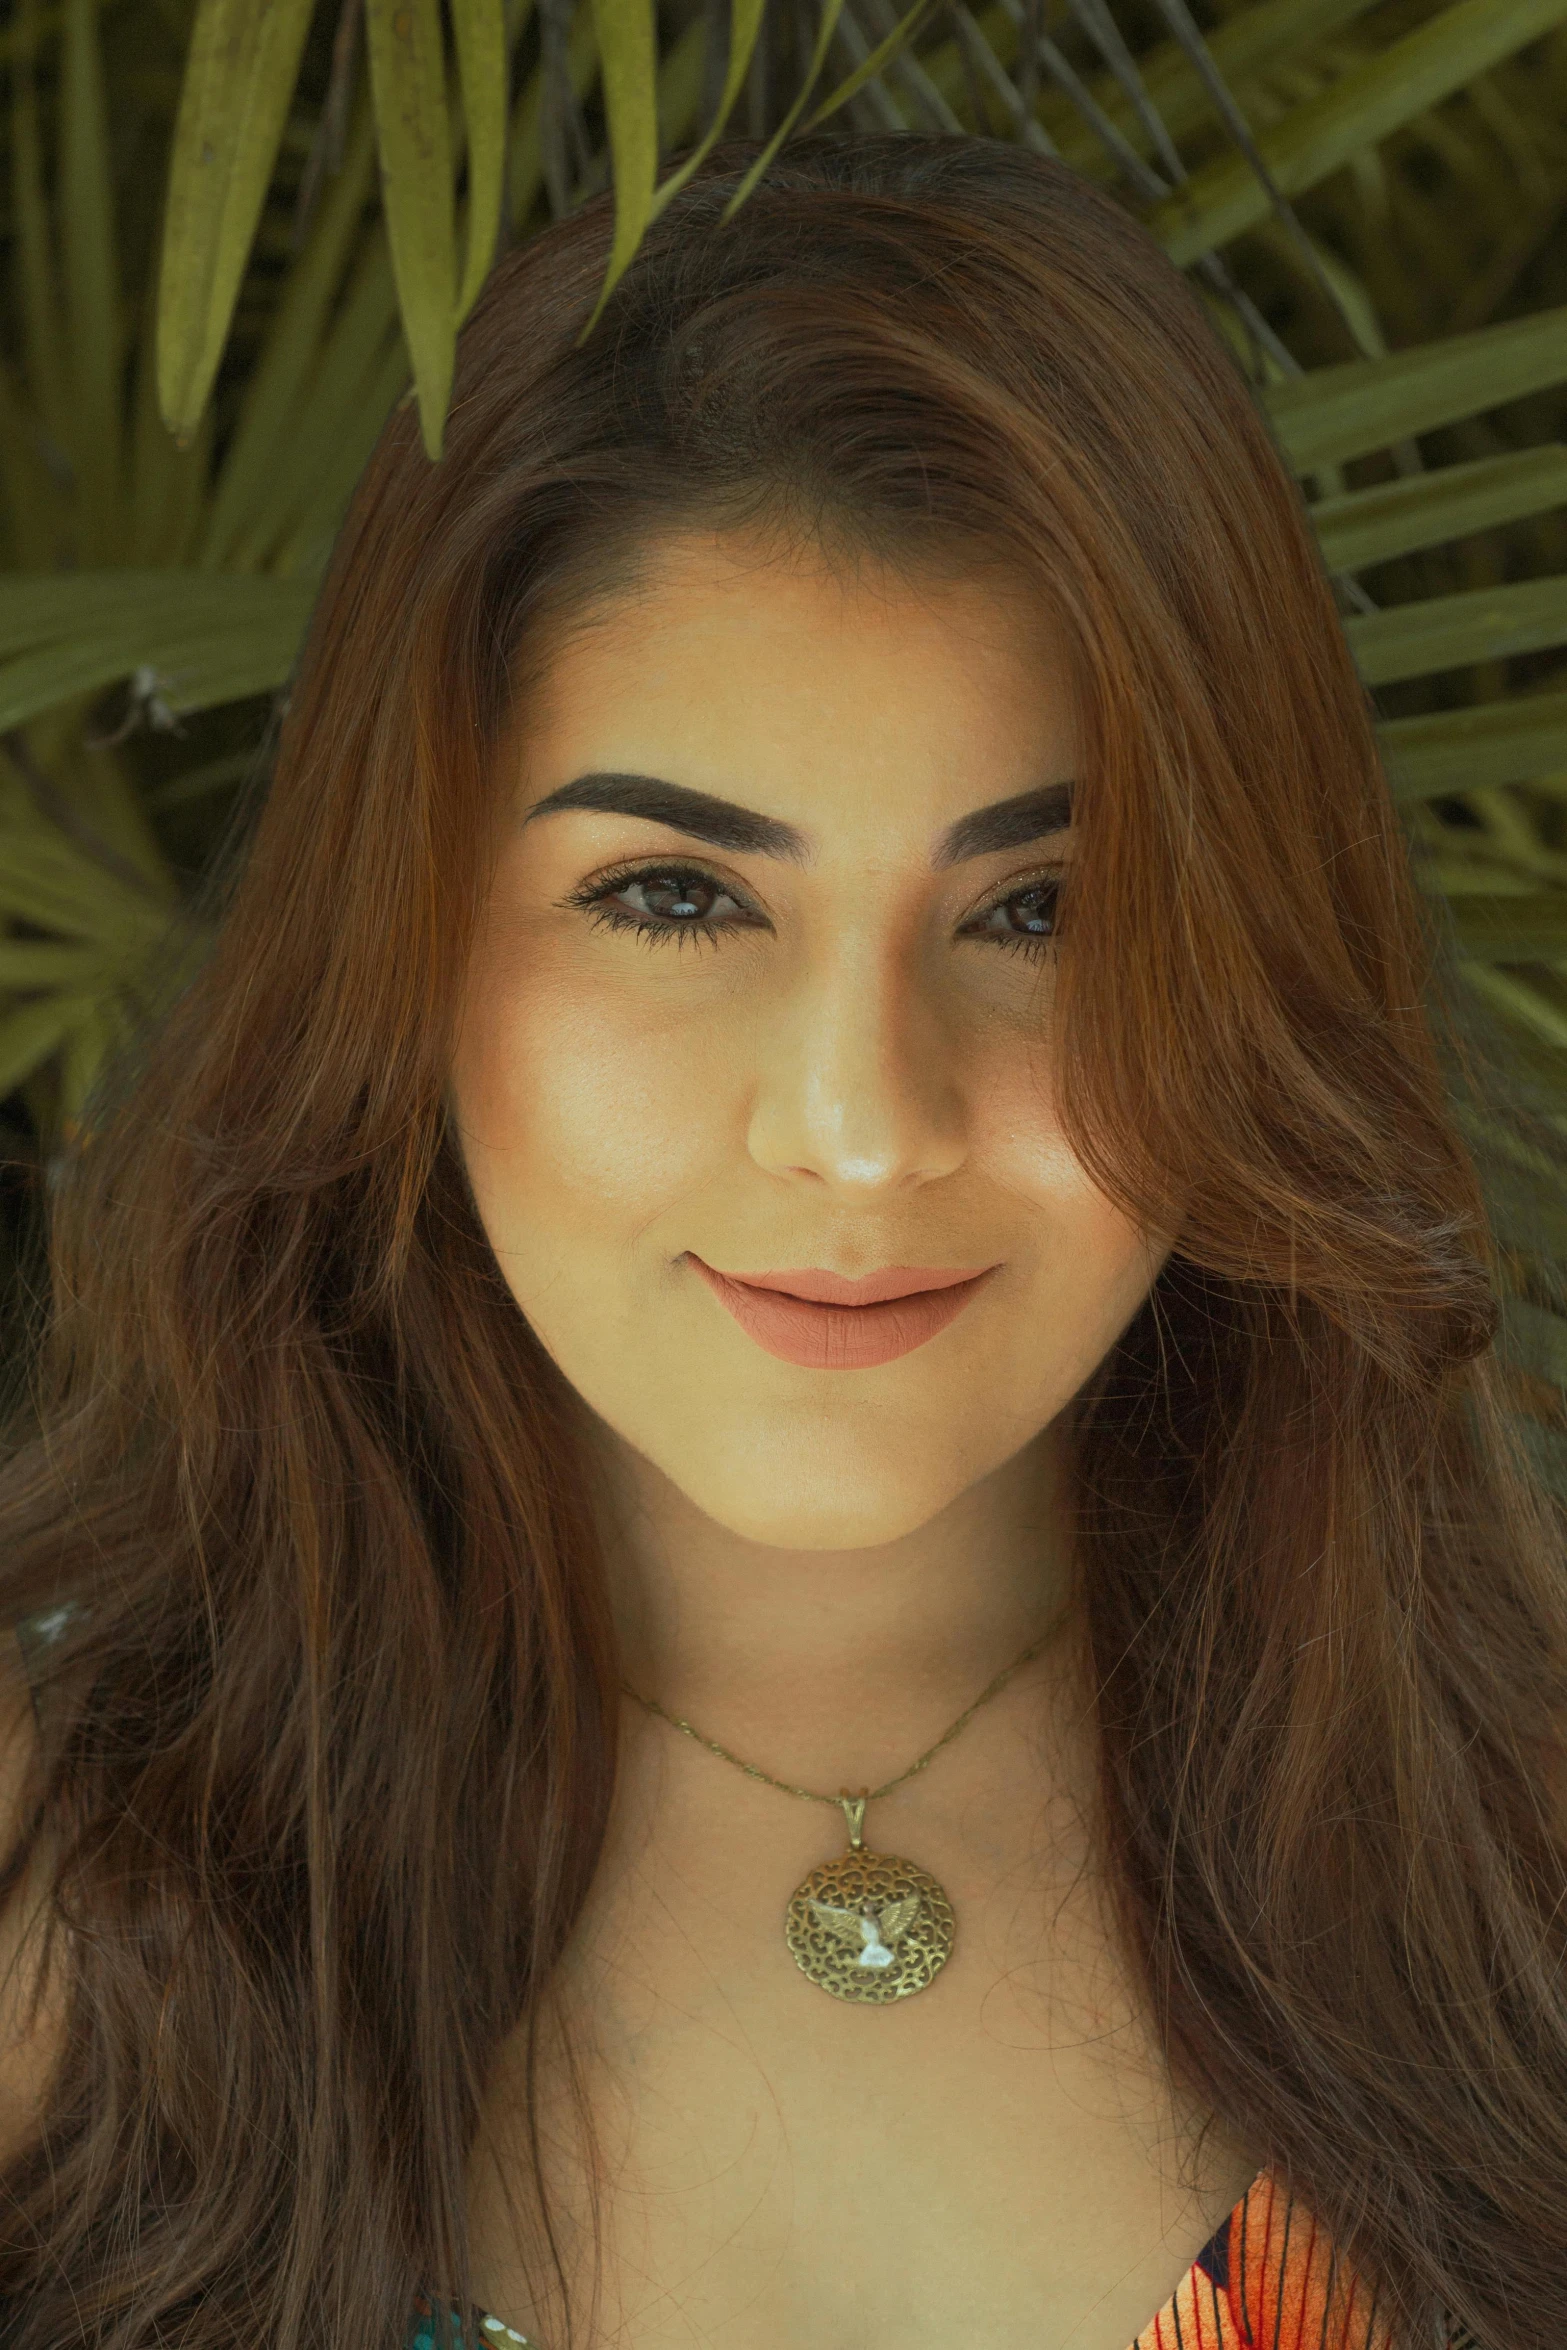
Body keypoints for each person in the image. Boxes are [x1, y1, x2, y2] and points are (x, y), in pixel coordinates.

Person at [0, 132, 1562, 2350]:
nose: (860, 1126)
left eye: (1045, 911)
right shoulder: (61, 1857)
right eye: (675, 895)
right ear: (409, 942)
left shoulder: (1521, 1851)